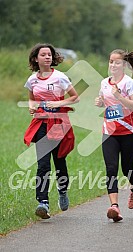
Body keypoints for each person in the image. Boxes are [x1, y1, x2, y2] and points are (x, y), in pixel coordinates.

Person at [24, 43, 79, 219]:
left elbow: (75, 97)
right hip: (41, 125)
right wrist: (32, 108)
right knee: (43, 164)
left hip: (59, 124)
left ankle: (62, 191)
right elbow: (31, 100)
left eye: (49, 54)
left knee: (59, 162)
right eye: (43, 54)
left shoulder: (60, 77)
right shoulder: (32, 80)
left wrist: (58, 103)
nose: (47, 57)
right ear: (35, 59)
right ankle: (43, 202)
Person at [95, 49, 133, 222]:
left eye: (117, 62)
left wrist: (119, 96)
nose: (113, 65)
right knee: (111, 169)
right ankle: (114, 207)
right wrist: (100, 101)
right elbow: (106, 101)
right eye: (111, 61)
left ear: (124, 65)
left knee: (127, 169)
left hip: (128, 133)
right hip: (109, 132)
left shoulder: (128, 83)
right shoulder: (104, 83)